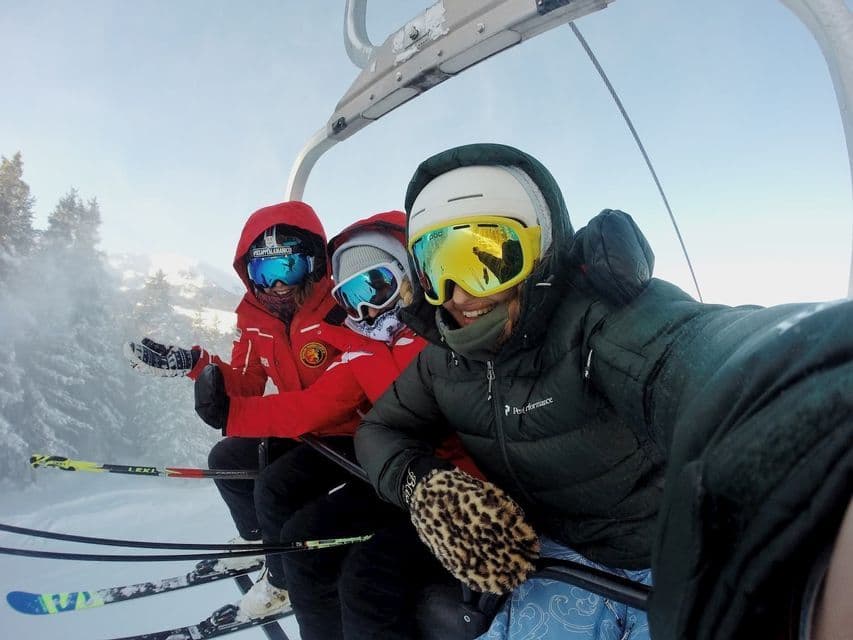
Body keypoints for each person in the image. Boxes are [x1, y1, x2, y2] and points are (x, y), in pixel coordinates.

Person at [353, 143, 852, 640]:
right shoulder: (445, 360)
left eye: (487, 260)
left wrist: (819, 385)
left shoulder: (600, 323)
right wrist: (425, 489)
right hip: (558, 560)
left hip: (666, 558)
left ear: (541, 251)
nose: (460, 294)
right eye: (439, 268)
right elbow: (381, 429)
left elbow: (709, 355)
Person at [125, 200, 354, 618]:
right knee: (227, 459)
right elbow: (248, 381)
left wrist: (240, 415)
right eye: (264, 273)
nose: (278, 285)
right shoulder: (255, 318)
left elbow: (328, 403)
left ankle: (283, 582)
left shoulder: (340, 310)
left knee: (275, 486)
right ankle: (259, 544)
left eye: (289, 268)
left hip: (351, 434)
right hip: (301, 429)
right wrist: (196, 365)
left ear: (314, 262)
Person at [275, 210, 482, 639]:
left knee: (366, 577)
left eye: (377, 285)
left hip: (461, 488)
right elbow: (308, 407)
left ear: (409, 275)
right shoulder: (361, 350)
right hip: (401, 476)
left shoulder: (447, 331)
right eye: (352, 297)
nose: (367, 308)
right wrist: (232, 411)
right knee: (303, 538)